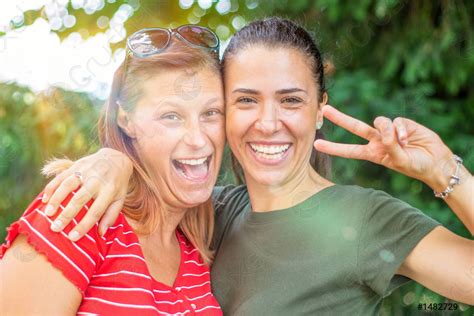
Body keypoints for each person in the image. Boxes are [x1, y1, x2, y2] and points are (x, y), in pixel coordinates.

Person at [16, 18, 474, 314]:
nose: (268, 123)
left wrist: (445, 174)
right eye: (245, 101)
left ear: (319, 110)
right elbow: (154, 183)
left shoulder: (367, 218)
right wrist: (112, 158)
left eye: (291, 101)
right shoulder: (203, 216)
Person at [0, 25, 226, 315]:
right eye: (171, 116)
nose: (198, 139)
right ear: (126, 120)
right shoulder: (80, 211)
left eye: (210, 113)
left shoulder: (198, 252)